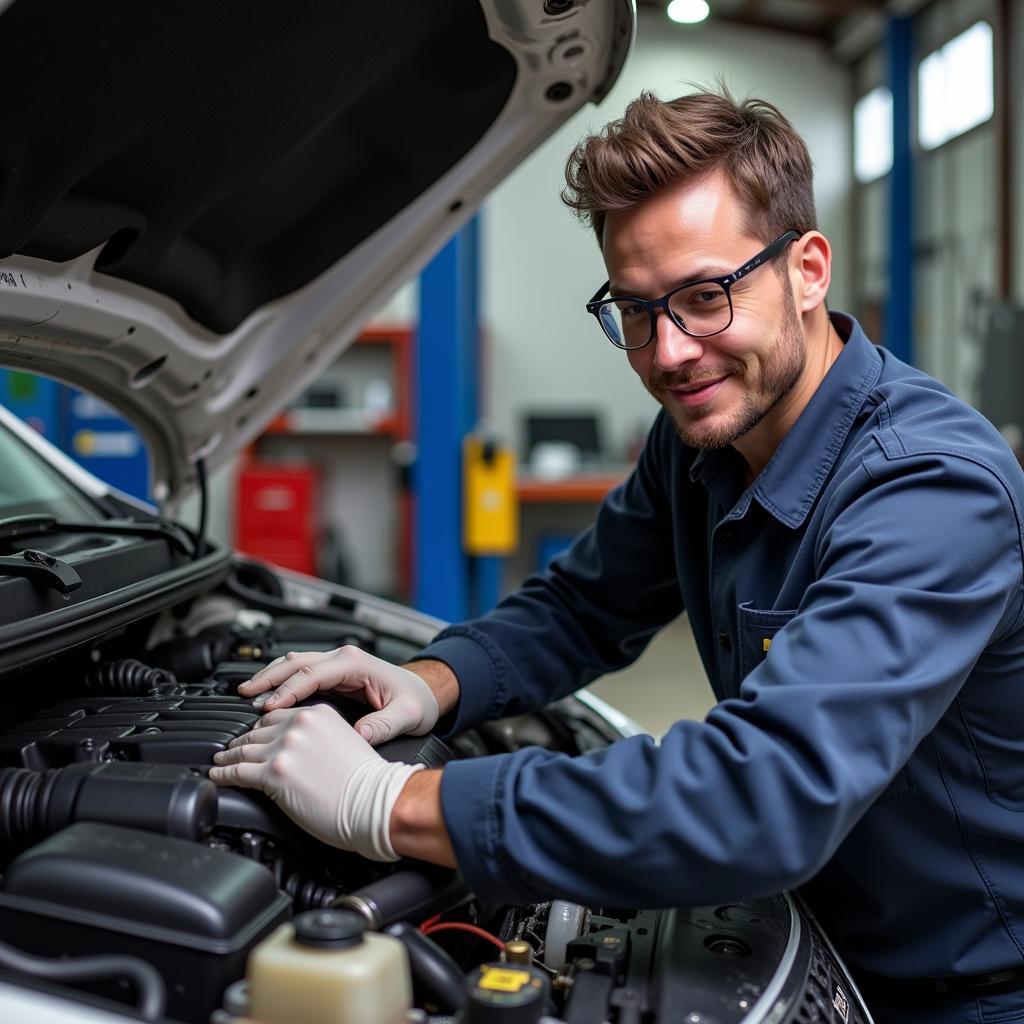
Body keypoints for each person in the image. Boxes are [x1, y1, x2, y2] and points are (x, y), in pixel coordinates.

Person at [208, 89, 1024, 1022]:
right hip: (820, 939)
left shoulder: (931, 490)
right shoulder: (700, 442)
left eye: (706, 297)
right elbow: (580, 607)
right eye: (635, 311)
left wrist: (391, 805)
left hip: (973, 993)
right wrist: (428, 683)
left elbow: (761, 796)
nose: (669, 353)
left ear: (808, 270)